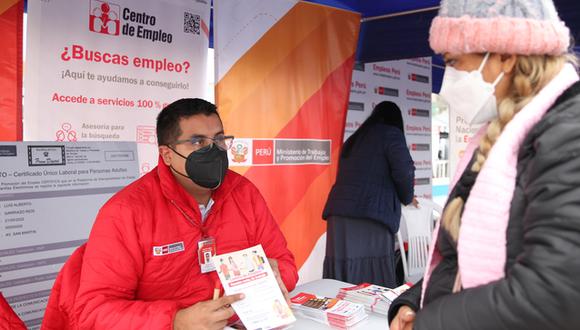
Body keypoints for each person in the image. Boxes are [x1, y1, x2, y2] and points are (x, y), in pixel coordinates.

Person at [389, 1, 580, 329]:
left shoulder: (568, 132)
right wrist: (415, 301)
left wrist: (431, 322)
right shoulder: (500, 133)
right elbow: (461, 255)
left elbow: (557, 292)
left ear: (506, 55)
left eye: (453, 62)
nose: (447, 80)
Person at [67, 98, 298, 329]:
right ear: (167, 154)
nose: (213, 150)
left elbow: (286, 265)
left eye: (218, 139)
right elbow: (93, 312)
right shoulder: (126, 212)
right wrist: (176, 321)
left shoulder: (244, 193)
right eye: (197, 141)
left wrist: (266, 276)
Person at [322, 101, 415, 288]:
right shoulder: (391, 134)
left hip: (339, 216)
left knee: (341, 280)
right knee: (372, 281)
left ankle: (342, 316)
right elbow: (404, 171)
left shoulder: (356, 138)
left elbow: (366, 177)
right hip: (370, 218)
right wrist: (406, 197)